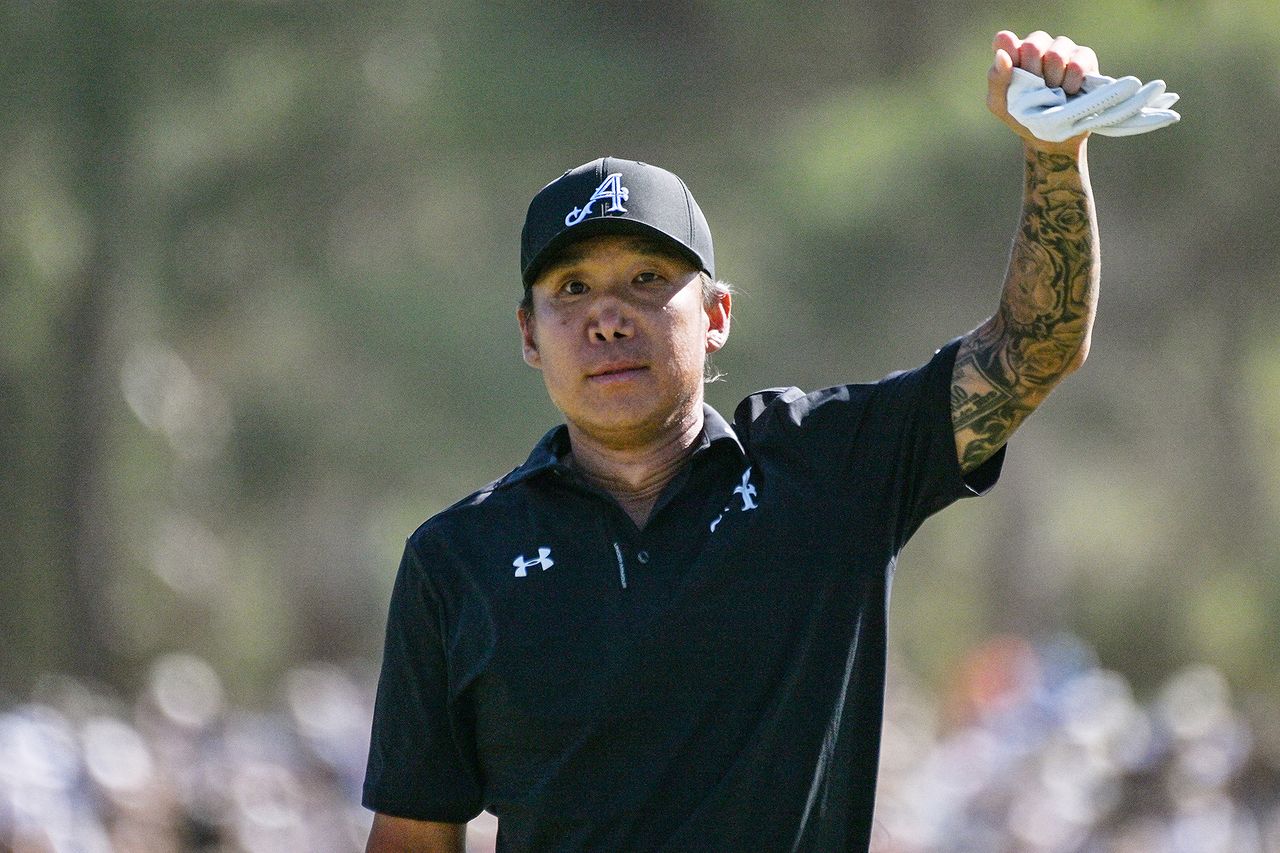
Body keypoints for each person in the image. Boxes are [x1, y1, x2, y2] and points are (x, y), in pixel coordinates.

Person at [363, 30, 1132, 853]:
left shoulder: (829, 470)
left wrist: (1054, 155)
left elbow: (1032, 349)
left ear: (717, 316)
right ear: (529, 333)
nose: (608, 314)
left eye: (648, 280)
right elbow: (413, 836)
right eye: (572, 288)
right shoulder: (458, 560)